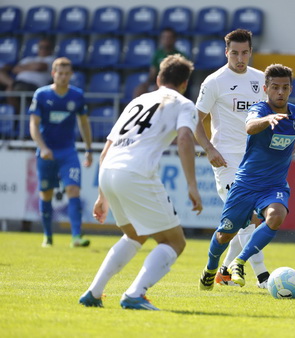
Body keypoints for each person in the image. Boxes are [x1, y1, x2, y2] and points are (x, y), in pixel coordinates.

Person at [198, 64, 295, 290]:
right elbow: (250, 127)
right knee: (225, 234)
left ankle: (239, 262)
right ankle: (211, 267)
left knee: (276, 215)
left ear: (290, 89)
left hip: (273, 185)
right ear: (266, 88)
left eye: (284, 88)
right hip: (245, 184)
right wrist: (267, 120)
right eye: (274, 88)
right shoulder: (259, 110)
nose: (279, 92)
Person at [79, 54, 202, 310]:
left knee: (135, 234)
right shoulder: (184, 103)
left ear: (158, 79)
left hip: (109, 169)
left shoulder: (138, 100)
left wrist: (102, 195)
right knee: (174, 242)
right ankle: (135, 294)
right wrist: (192, 184)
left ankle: (94, 292)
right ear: (184, 83)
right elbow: (184, 140)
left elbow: (106, 149)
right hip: (135, 173)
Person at [194, 29, 270, 288]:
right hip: (225, 159)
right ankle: (262, 276)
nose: (240, 58)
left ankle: (221, 269)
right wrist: (209, 149)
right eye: (235, 53)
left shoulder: (261, 79)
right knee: (247, 217)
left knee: (243, 220)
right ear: (226, 52)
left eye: (245, 52)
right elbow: (196, 120)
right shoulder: (214, 81)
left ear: (251, 52)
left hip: (255, 159)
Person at [29, 57, 92, 248]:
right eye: (60, 73)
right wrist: (43, 147)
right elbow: (33, 124)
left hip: (68, 152)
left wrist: (88, 149)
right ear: (53, 74)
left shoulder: (77, 96)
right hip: (47, 153)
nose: (63, 77)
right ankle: (48, 237)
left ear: (71, 75)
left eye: (67, 74)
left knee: (73, 190)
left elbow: (83, 122)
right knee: (46, 194)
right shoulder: (41, 95)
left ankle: (76, 237)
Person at [7, 37, 55, 115]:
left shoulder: (52, 59)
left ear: (51, 49)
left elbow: (40, 67)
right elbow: (15, 69)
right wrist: (33, 67)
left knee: (11, 89)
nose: (44, 49)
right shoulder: (28, 59)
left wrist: (24, 67)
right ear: (38, 48)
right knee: (9, 90)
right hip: (19, 84)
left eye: (47, 47)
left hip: (35, 87)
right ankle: (17, 119)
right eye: (41, 47)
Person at [134, 28, 185, 97]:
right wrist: (146, 84)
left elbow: (182, 75)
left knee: (157, 89)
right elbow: (153, 73)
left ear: (174, 39)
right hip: (158, 81)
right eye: (164, 37)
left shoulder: (180, 56)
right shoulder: (157, 54)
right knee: (140, 89)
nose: (167, 40)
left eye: (169, 37)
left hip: (173, 83)